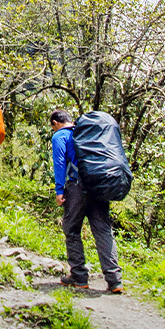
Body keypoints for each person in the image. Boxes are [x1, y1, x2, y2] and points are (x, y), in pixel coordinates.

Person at [50, 109, 123, 294]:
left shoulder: (60, 136)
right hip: (98, 184)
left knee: (72, 228)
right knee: (103, 230)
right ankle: (115, 280)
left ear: (55, 123)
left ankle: (79, 276)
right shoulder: (86, 134)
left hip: (76, 187)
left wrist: (59, 190)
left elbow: (59, 162)